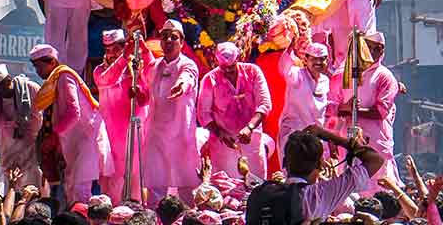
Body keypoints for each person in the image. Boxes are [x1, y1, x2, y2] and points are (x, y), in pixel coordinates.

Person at [29, 43, 112, 203]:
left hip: (87, 138)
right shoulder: (56, 80)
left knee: (80, 190)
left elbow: (74, 112)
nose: (38, 72)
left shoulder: (64, 76)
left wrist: (54, 136)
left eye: (40, 67)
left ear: (52, 62)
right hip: (76, 141)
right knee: (72, 188)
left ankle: (83, 224)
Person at [140, 20, 201, 204]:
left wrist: (180, 86)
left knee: (186, 186)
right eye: (164, 36)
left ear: (182, 42)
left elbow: (187, 77)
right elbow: (145, 89)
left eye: (173, 37)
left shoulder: (188, 64)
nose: (168, 40)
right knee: (156, 185)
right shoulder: (155, 66)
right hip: (157, 133)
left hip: (180, 133)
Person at [331, 31, 399, 193]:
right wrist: (345, 109)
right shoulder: (345, 75)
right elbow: (332, 106)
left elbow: (381, 111)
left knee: (378, 192)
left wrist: (354, 111)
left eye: (379, 49)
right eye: (370, 47)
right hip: (348, 141)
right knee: (348, 190)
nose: (375, 52)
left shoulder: (385, 77)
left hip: (375, 143)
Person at [197, 41, 273, 179]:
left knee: (256, 186)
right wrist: (220, 133)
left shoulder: (253, 72)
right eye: (223, 67)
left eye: (231, 67)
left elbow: (265, 104)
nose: (227, 71)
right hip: (223, 146)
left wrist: (249, 128)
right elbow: (203, 114)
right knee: (226, 189)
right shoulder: (210, 80)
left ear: (238, 59)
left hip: (252, 141)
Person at [93, 29, 152, 203]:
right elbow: (106, 80)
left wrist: (143, 50)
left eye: (116, 49)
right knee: (111, 181)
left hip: (132, 136)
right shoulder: (99, 71)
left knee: (135, 179)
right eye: (108, 50)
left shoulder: (134, 71)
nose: (111, 54)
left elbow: (146, 97)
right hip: (109, 137)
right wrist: (123, 58)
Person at [276, 40, 332, 165]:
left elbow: (323, 106)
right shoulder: (296, 74)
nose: (318, 62)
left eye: (322, 59)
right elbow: (285, 66)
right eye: (314, 59)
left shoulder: (325, 80)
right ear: (306, 59)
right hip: (294, 135)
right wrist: (291, 44)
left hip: (316, 136)